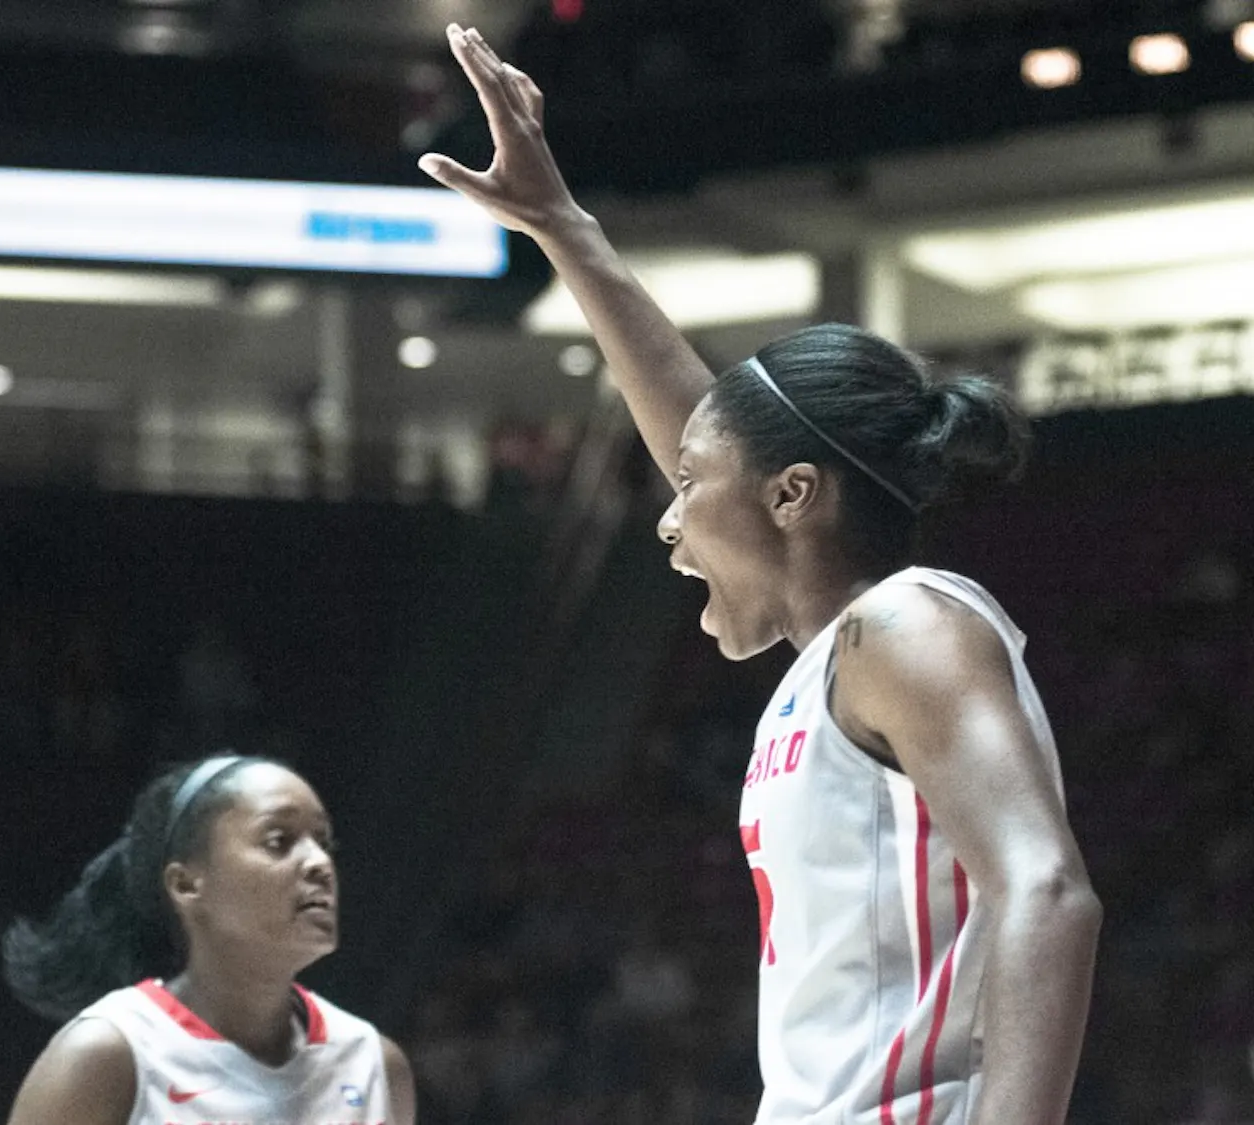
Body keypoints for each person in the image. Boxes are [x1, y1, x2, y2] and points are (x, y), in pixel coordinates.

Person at [421, 24, 1101, 1125]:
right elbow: (713, 428)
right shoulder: (841, 653)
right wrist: (567, 233)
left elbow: (1049, 894)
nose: (670, 522)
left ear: (794, 497)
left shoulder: (909, 626)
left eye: (687, 487)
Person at [1, 755, 415, 1125]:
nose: (320, 864)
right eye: (279, 841)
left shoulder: (376, 1063)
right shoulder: (109, 1056)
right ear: (186, 885)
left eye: (323, 843)